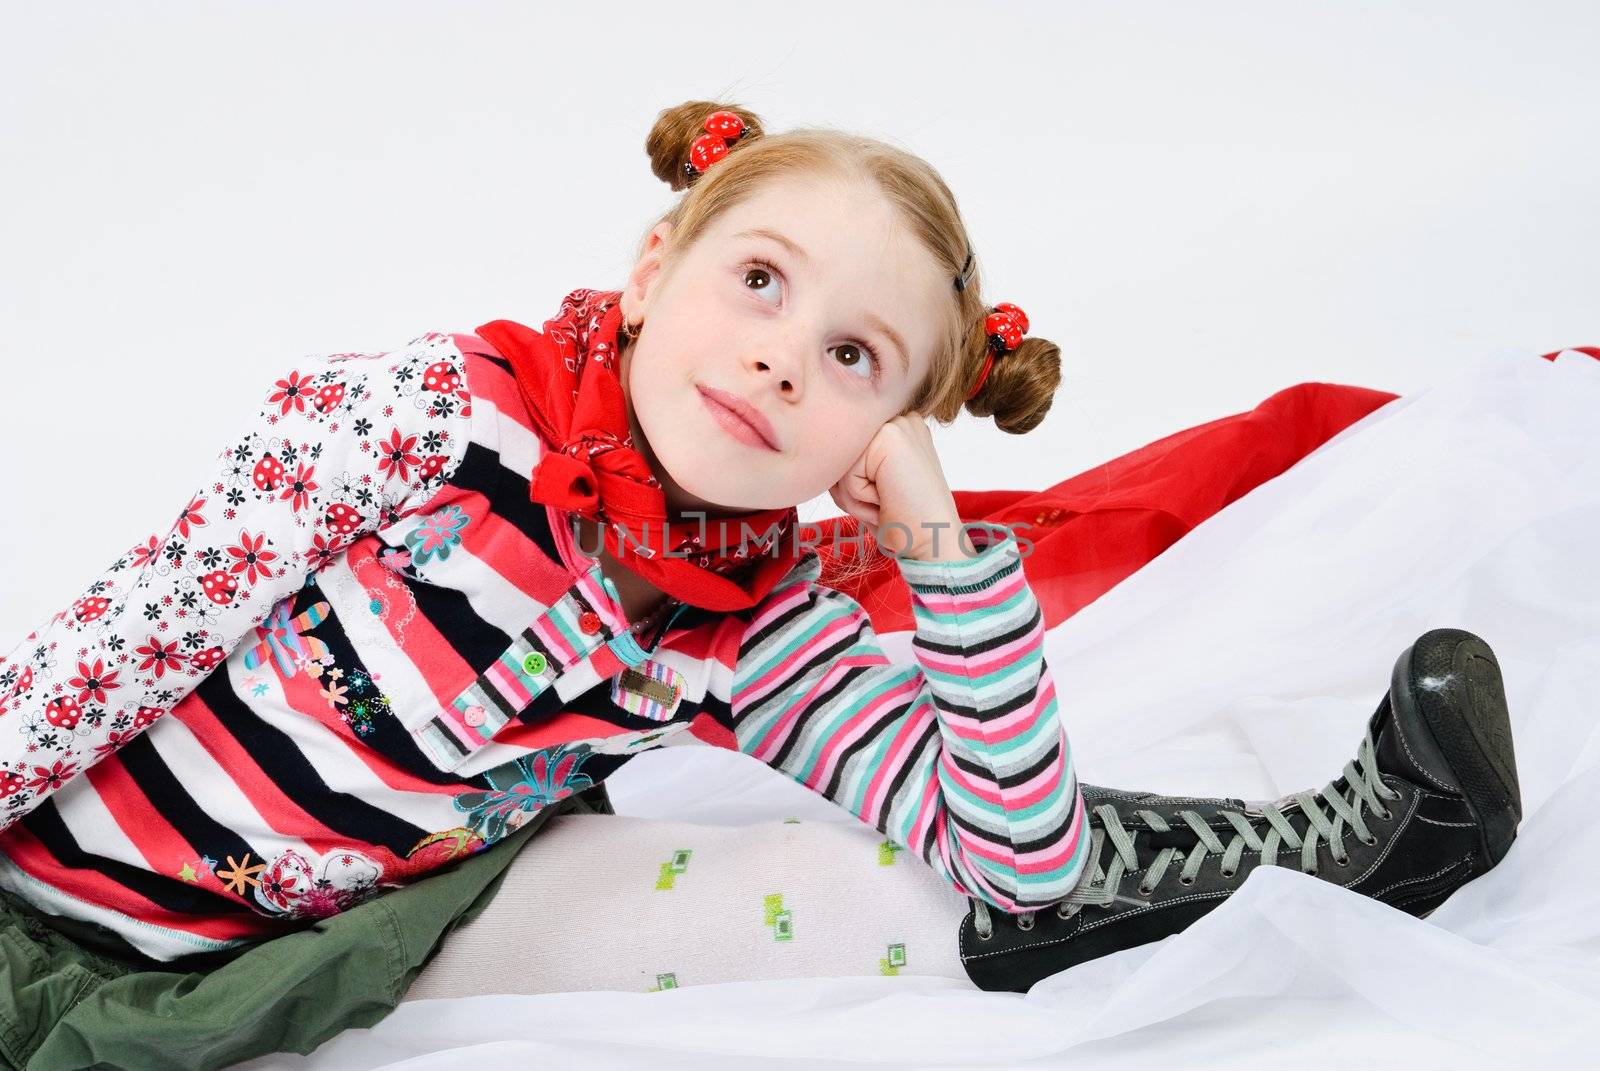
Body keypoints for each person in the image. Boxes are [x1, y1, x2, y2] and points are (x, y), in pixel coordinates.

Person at [0, 100, 1523, 1068]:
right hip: (42, 902)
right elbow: (123, 640)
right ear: (657, 268)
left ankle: (1344, 852)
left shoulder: (754, 624)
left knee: (906, 891)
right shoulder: (431, 417)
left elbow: (1016, 847)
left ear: (878, 428)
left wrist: (931, 536)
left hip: (315, 947)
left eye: (854, 359)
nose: (786, 353)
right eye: (760, 281)